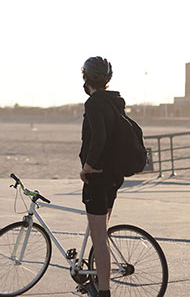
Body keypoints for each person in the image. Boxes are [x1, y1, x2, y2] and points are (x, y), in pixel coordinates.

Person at [79, 56, 125, 297]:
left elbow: (99, 138)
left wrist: (87, 166)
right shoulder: (115, 101)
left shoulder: (94, 103)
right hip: (114, 176)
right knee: (101, 233)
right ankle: (96, 283)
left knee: (99, 238)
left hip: (98, 179)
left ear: (85, 76)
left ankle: (103, 291)